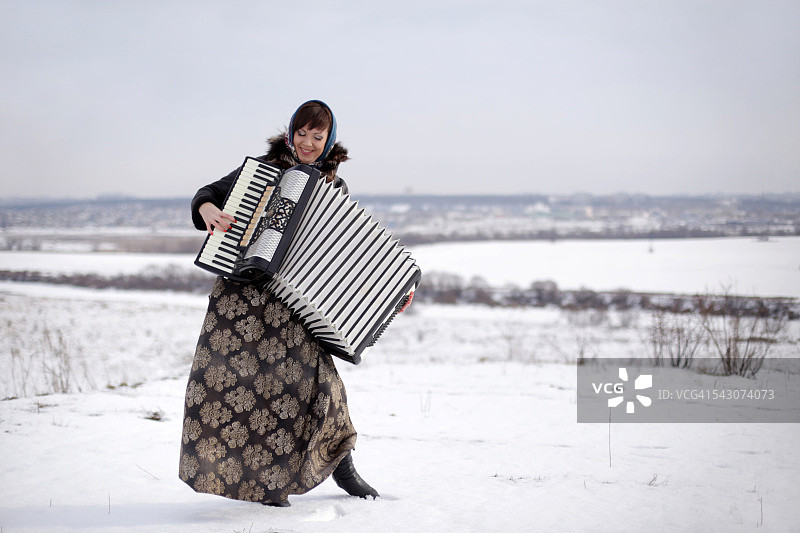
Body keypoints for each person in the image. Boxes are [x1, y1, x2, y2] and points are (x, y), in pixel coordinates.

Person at [179, 100, 381, 507]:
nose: (307, 142)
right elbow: (208, 194)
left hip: (292, 303)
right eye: (301, 133)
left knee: (321, 386)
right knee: (240, 390)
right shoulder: (262, 170)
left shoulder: (334, 188)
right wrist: (209, 210)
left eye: (317, 136)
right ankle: (265, 486)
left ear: (328, 140)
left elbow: (339, 253)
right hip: (242, 299)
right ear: (291, 133)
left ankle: (343, 468)